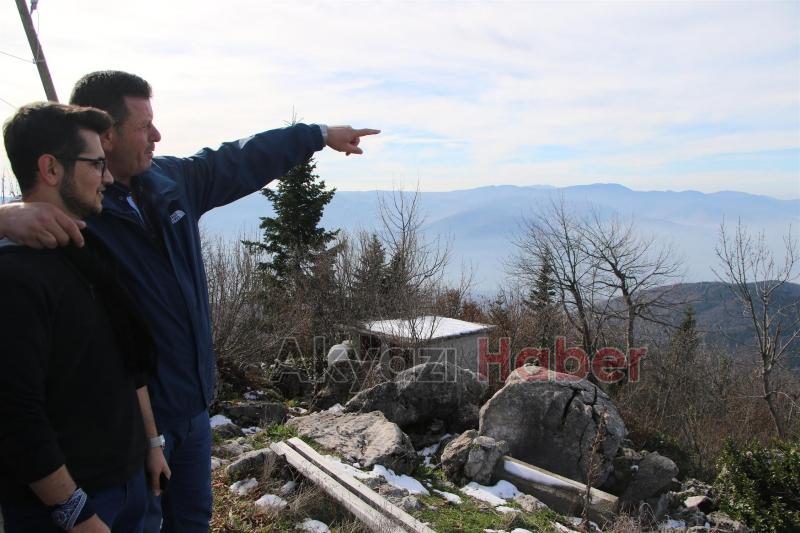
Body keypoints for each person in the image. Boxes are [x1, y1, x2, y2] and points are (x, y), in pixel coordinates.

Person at [0, 70, 379, 532]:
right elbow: (18, 406)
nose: (157, 135)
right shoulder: (74, 219)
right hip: (127, 426)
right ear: (107, 136)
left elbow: (241, 159)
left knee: (193, 520)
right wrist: (4, 216)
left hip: (191, 408)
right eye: (144, 126)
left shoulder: (169, 181)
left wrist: (317, 136)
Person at [0, 102, 169, 532]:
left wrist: (150, 443)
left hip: (131, 484)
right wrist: (76, 514)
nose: (108, 177)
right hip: (72, 509)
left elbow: (128, 357)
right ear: (51, 169)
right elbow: (16, 416)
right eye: (96, 164)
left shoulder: (87, 247)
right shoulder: (15, 276)